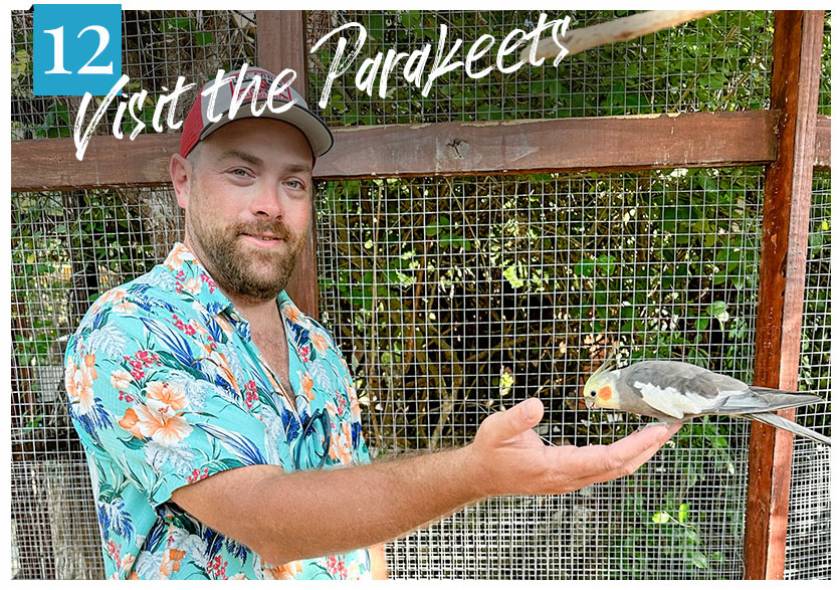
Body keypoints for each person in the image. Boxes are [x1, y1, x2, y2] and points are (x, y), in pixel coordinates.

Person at [64, 67, 681, 580]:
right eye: (241, 172)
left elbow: (358, 530)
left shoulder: (314, 345)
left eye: (295, 182)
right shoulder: (128, 331)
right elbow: (270, 521)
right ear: (181, 181)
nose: (270, 205)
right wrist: (475, 472)